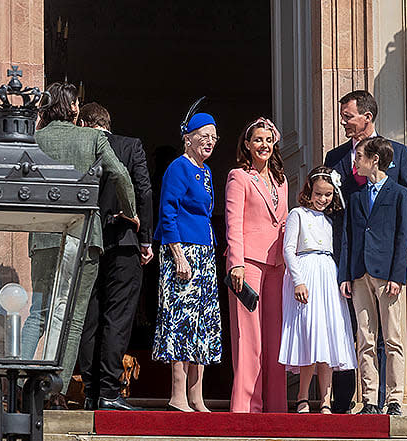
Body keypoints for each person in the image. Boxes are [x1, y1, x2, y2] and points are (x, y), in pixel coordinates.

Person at [23, 82, 139, 408]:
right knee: (73, 318)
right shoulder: (92, 137)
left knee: (39, 313)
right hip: (85, 236)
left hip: (44, 234)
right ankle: (53, 389)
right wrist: (130, 213)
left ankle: (18, 381)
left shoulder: (37, 138)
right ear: (74, 109)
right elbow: (121, 175)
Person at [324, 90, 407, 412]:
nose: (343, 122)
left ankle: (390, 399)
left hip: (387, 259)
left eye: (348, 116)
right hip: (352, 260)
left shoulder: (396, 153)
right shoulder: (335, 158)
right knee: (357, 334)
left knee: (389, 335)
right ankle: (354, 401)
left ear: (367, 117)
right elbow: (335, 212)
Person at [76, 102, 153, 411]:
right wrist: (145, 237)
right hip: (123, 239)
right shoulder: (130, 145)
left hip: (85, 241)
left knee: (89, 319)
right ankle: (110, 391)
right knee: (117, 318)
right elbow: (144, 190)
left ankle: (91, 392)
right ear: (107, 122)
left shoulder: (80, 148)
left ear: (84, 123)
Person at [152, 111, 222, 412]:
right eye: (203, 136)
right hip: (182, 253)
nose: (209, 142)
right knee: (181, 319)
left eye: (213, 138)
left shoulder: (205, 171)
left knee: (203, 322)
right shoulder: (178, 168)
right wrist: (178, 255)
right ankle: (178, 395)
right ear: (187, 138)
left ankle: (197, 395)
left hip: (205, 253)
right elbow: (167, 212)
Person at [338, 136, 407, 416]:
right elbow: (348, 236)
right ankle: (369, 399)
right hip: (359, 274)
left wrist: (398, 275)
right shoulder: (356, 196)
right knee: (365, 338)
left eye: (359, 157)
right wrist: (346, 273)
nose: (355, 162)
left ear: (374, 160)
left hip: (387, 276)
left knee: (392, 338)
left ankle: (394, 399)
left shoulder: (398, 194)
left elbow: (403, 237)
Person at [278, 166, 357, 414]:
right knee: (309, 334)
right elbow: (289, 248)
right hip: (307, 272)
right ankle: (302, 397)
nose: (323, 200)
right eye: (319, 194)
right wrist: (298, 280)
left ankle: (325, 399)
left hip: (327, 275)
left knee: (327, 336)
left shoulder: (330, 220)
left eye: (328, 195)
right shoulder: (297, 214)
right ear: (309, 192)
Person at [225, 117, 288, 413]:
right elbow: (233, 222)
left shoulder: (281, 179)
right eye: (258, 140)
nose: (264, 145)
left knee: (275, 337)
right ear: (247, 145)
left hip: (277, 264)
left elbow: (285, 222)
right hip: (247, 263)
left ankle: (276, 408)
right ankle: (246, 408)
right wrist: (235, 263)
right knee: (248, 338)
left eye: (268, 140)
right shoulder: (239, 176)